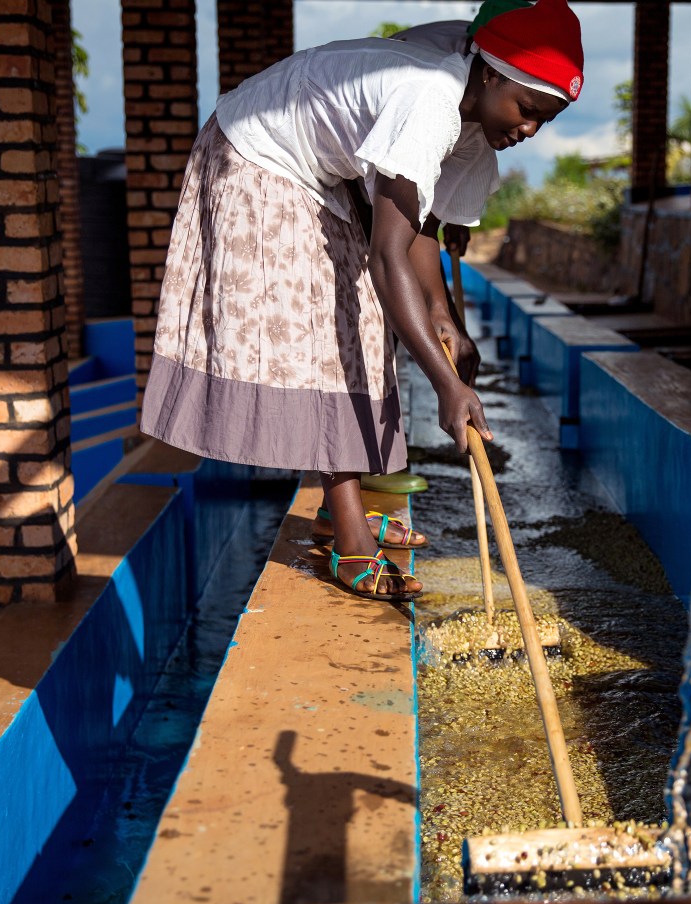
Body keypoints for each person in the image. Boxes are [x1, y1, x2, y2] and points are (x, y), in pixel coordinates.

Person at [139, 0, 585, 600]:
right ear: (491, 73)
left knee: (362, 329)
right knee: (330, 337)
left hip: (316, 175)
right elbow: (387, 257)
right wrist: (447, 386)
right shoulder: (431, 98)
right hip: (256, 156)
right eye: (527, 109)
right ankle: (350, 543)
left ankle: (335, 512)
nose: (529, 128)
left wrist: (443, 320)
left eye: (545, 121)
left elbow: (420, 231)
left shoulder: (477, 117)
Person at [391, 0, 533, 259]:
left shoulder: (486, 78)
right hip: (376, 143)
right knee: (391, 239)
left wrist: (456, 216)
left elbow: (470, 141)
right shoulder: (436, 72)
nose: (530, 130)